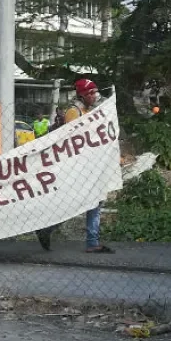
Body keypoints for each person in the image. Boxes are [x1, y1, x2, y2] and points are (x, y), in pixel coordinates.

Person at [67, 78, 114, 254]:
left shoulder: (88, 111)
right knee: (80, 202)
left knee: (94, 201)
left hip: (89, 165)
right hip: (78, 167)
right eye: (91, 93)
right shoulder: (74, 112)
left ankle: (92, 242)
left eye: (95, 92)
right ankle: (48, 228)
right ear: (82, 95)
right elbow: (73, 140)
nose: (95, 95)